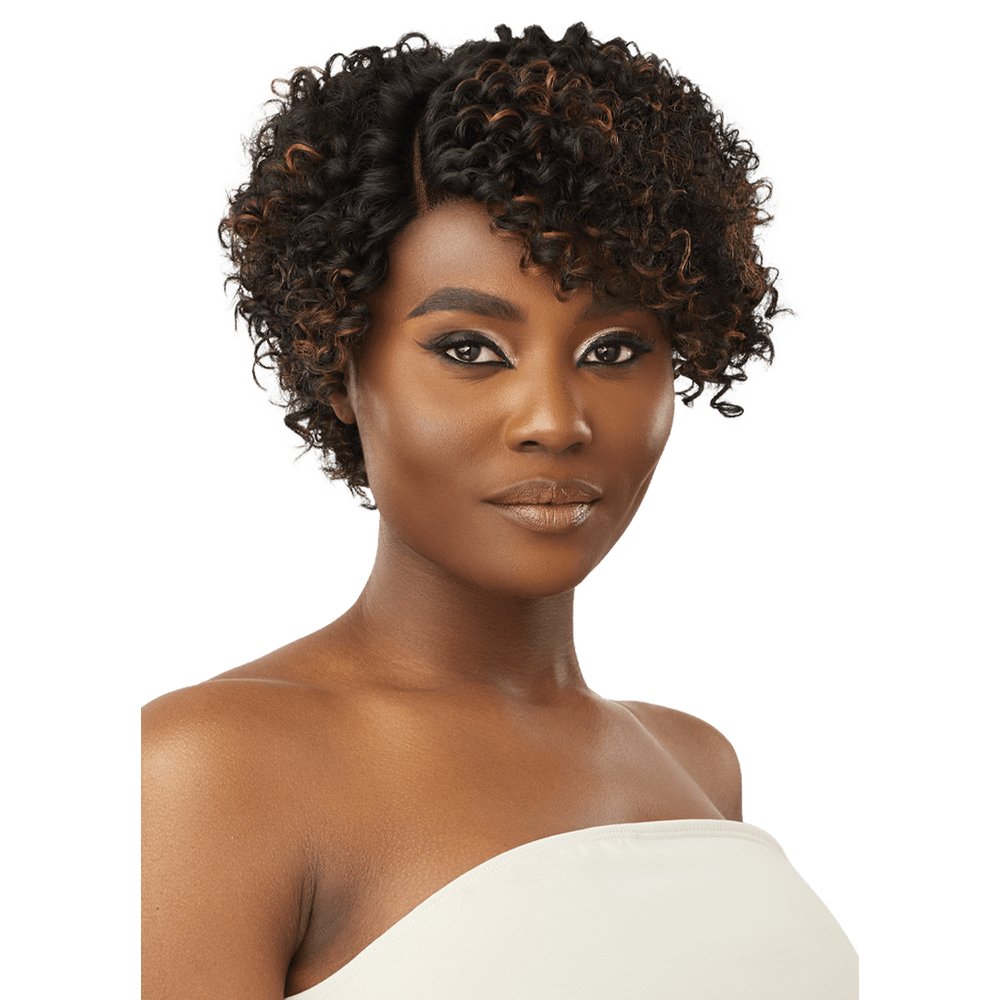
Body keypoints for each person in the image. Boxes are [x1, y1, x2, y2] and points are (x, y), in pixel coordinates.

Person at [142, 22, 858, 999]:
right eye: (469, 349)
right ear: (339, 367)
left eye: (613, 350)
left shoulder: (698, 764)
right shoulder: (209, 770)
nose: (555, 421)